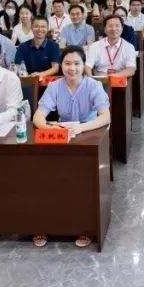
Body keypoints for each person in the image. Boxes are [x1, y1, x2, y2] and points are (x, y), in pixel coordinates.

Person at [33, 45, 112, 248]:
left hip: (89, 134)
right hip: (62, 135)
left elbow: (105, 116)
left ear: (84, 65)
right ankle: (44, 223)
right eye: (67, 63)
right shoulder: (55, 86)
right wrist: (50, 129)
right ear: (61, 65)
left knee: (81, 179)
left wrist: (82, 127)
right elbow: (38, 117)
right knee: (45, 177)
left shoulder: (93, 85)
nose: (72, 68)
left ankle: (84, 227)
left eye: (77, 63)